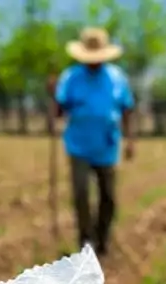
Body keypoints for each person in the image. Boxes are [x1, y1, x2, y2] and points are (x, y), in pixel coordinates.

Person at [46, 27, 135, 257]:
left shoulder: (117, 78)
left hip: (107, 145)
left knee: (108, 198)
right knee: (81, 194)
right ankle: (85, 243)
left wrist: (130, 140)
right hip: (78, 146)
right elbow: (59, 111)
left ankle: (102, 240)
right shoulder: (71, 78)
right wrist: (53, 96)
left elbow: (126, 109)